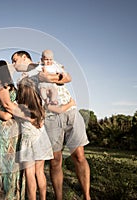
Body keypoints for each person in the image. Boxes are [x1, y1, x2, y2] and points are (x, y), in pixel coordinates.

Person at [11, 50, 91, 200]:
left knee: (79, 156)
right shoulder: (24, 78)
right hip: (51, 117)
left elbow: (67, 77)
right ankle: (58, 198)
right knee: (55, 160)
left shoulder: (48, 65)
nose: (14, 64)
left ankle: (87, 196)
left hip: (70, 110)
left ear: (24, 58)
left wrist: (48, 77)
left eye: (15, 60)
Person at [0, 60, 26, 200]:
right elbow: (7, 114)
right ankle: (5, 195)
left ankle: (11, 194)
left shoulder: (8, 86)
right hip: (4, 128)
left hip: (11, 127)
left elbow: (6, 112)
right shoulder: (1, 86)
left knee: (11, 160)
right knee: (5, 160)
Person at [16, 77, 54, 200]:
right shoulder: (40, 104)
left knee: (30, 175)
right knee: (40, 173)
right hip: (42, 141)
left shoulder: (20, 107)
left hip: (29, 143)